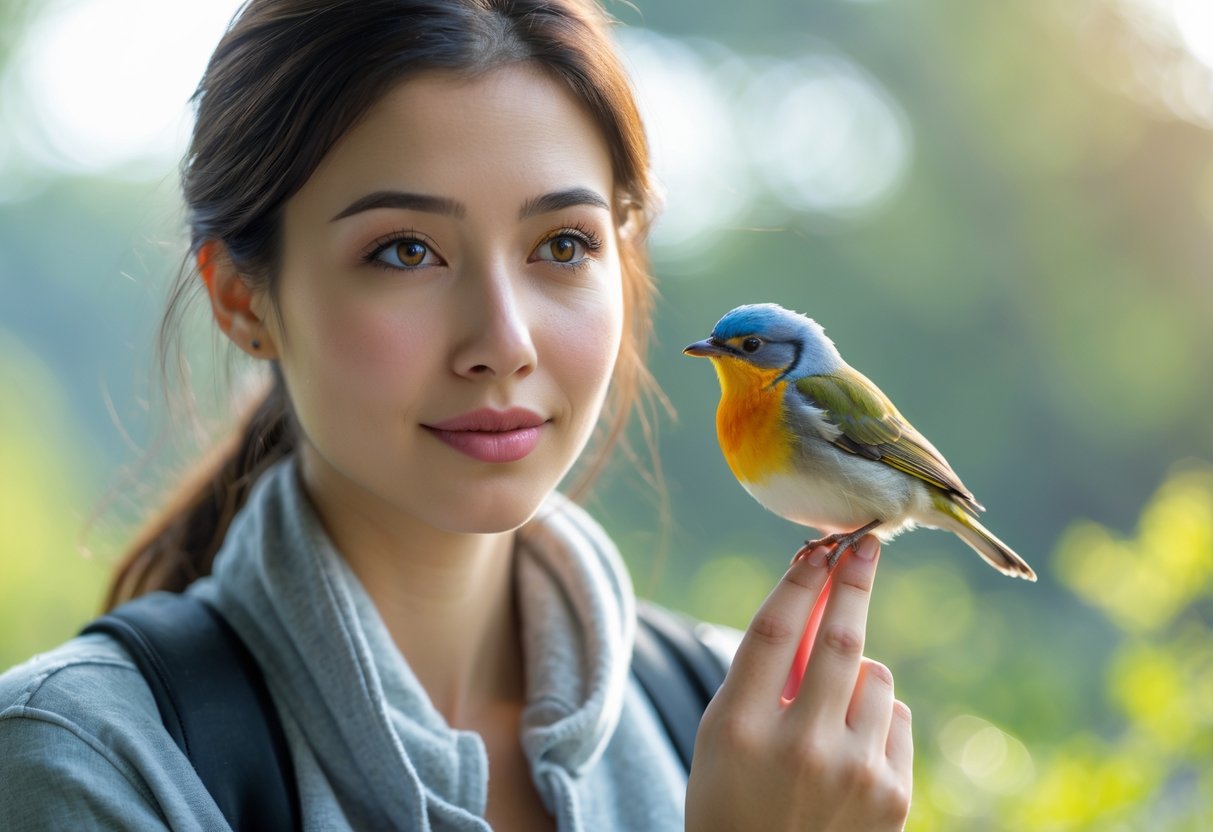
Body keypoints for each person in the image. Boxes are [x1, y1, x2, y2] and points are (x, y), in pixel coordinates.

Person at [0, 0, 913, 829]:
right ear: (243, 299)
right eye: (405, 251)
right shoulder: (89, 761)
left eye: (561, 244)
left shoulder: (748, 724)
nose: (502, 340)